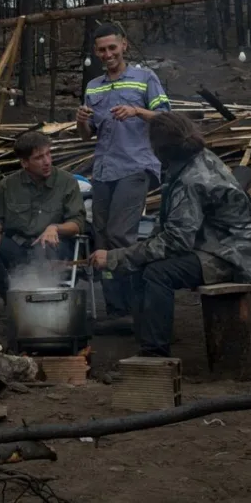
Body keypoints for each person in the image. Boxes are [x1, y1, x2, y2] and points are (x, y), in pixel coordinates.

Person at [89, 112, 251, 357]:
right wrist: (134, 254)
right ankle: (148, 338)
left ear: (160, 150)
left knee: (158, 273)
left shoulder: (191, 181)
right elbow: (172, 229)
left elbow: (176, 242)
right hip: (214, 244)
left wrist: (114, 257)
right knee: (142, 266)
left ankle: (155, 353)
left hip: (234, 256)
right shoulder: (191, 160)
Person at [76, 22, 171, 322]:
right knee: (102, 237)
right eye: (102, 50)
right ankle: (116, 309)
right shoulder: (94, 87)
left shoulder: (145, 78)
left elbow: (167, 118)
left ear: (124, 45)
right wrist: (81, 120)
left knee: (120, 233)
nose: (107, 54)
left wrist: (137, 111)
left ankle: (136, 305)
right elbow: (86, 135)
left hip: (136, 166)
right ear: (96, 51)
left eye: (112, 48)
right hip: (103, 170)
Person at [0, 132, 86, 307]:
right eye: (39, 158)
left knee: (48, 248)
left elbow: (78, 223)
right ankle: (13, 301)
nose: (47, 161)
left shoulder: (66, 182)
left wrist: (55, 228)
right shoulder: (9, 185)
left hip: (53, 248)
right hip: (18, 247)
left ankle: (47, 304)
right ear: (24, 163)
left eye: (48, 154)